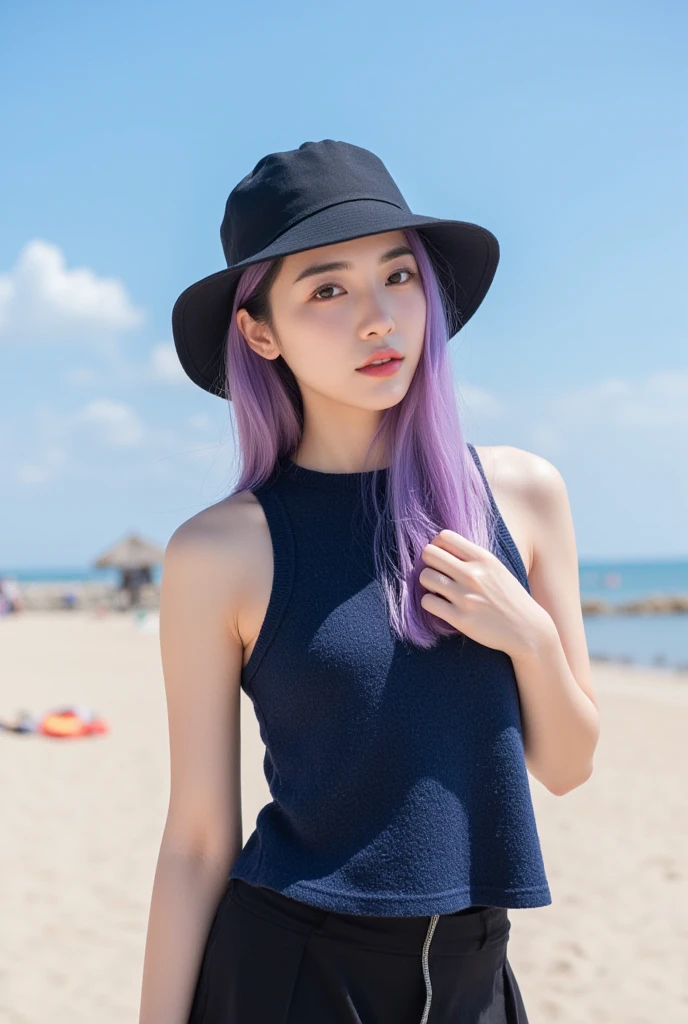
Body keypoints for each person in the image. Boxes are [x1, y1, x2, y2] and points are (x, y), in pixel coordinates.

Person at [139, 140, 598, 1023]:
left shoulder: (524, 496)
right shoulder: (219, 551)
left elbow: (569, 765)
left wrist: (530, 638)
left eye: (398, 275)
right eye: (327, 291)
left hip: (475, 977)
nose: (379, 318)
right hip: (291, 976)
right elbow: (197, 838)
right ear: (260, 332)